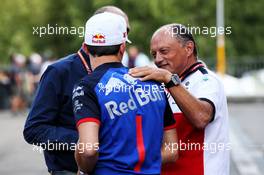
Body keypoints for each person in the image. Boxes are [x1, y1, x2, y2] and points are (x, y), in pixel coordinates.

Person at [23, 6, 131, 175]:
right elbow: (34, 130)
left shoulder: (124, 73)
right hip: (68, 170)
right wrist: (86, 141)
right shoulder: (59, 72)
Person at [73, 12, 178, 175]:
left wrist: (82, 168)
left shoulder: (86, 87)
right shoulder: (152, 81)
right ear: (123, 47)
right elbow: (172, 150)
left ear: (85, 48)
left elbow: (88, 150)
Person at [129, 24, 230, 175]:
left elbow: (201, 117)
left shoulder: (207, 80)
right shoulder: (166, 83)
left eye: (164, 51)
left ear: (189, 48)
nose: (158, 59)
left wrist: (168, 80)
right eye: (154, 54)